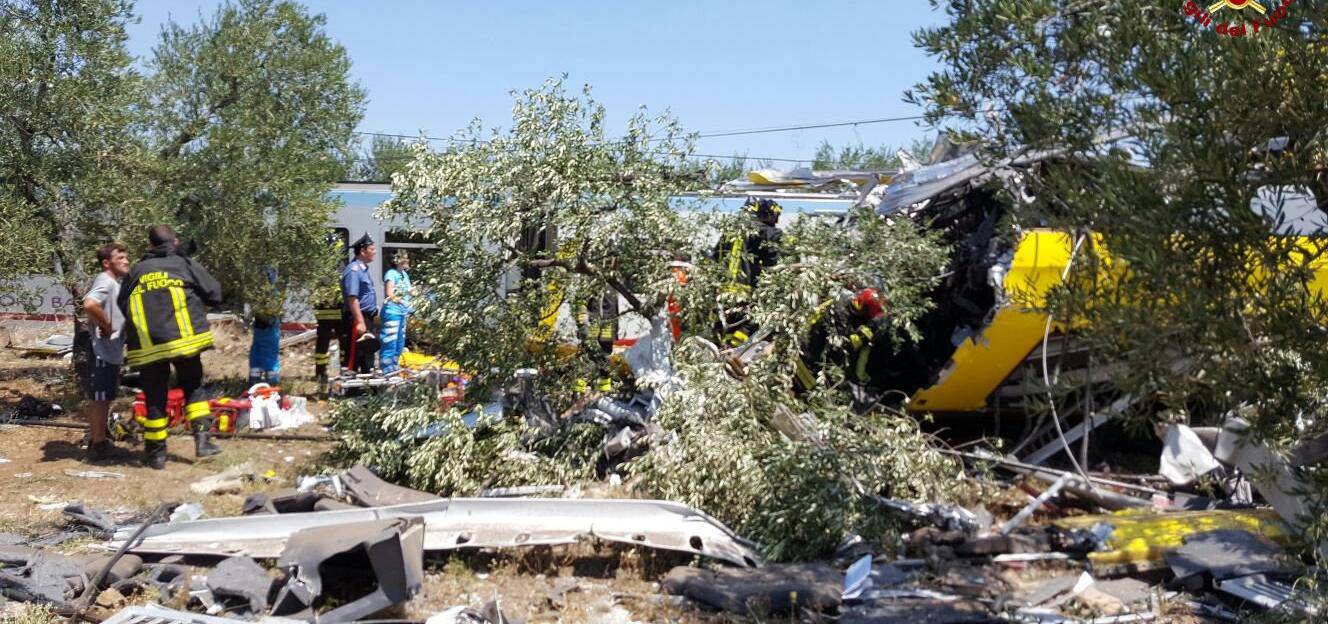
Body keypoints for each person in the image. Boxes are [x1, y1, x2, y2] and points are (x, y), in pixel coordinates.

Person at [117, 225, 224, 469]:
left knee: (155, 397)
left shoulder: (137, 270)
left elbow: (121, 303)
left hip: (148, 346)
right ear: (174, 241)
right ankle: (203, 442)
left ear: (150, 245)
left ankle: (156, 455)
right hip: (185, 342)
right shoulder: (184, 264)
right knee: (193, 388)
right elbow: (214, 293)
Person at [81, 242, 130, 462]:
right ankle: (98, 444)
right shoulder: (105, 281)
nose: (126, 260)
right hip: (101, 352)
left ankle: (99, 439)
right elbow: (90, 304)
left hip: (110, 352)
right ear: (106, 263)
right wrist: (107, 325)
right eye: (120, 257)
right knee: (100, 399)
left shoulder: (114, 284)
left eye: (126, 256)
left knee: (104, 397)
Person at [713, 197, 783, 346]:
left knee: (726, 327)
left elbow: (715, 256)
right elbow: (772, 261)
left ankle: (724, 352)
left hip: (722, 291)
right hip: (744, 290)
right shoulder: (763, 231)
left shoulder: (729, 232)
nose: (776, 220)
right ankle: (734, 351)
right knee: (756, 321)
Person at [794, 288, 885, 395]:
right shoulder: (841, 316)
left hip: (802, 348)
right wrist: (864, 335)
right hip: (805, 363)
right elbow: (844, 347)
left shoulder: (840, 302)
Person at [340, 232, 379, 374]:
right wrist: (360, 321)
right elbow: (352, 298)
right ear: (363, 251)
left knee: (366, 352)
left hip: (366, 317)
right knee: (354, 354)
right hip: (357, 318)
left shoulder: (363, 269)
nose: (374, 252)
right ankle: (352, 388)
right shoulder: (354, 270)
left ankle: (365, 387)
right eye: (372, 249)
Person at [312, 234, 346, 382]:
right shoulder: (338, 266)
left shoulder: (320, 266)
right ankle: (339, 370)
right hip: (335, 311)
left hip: (326, 311)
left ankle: (321, 372)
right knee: (339, 342)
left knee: (323, 343)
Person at [379, 249, 413, 374]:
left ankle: (394, 367)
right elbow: (389, 293)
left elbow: (410, 291)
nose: (408, 260)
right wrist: (402, 301)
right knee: (390, 341)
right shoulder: (391, 274)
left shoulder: (405, 274)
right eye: (405, 258)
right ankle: (386, 370)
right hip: (392, 312)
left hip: (402, 313)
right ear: (398, 260)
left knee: (399, 343)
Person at [248, 267, 281, 386]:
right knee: (270, 354)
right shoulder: (272, 293)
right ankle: (272, 383)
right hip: (269, 327)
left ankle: (254, 379)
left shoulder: (258, 292)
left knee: (256, 351)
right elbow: (273, 310)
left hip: (259, 326)